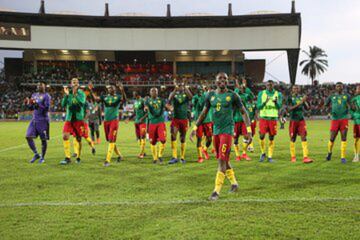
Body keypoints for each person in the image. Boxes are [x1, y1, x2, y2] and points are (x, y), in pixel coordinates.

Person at [190, 72, 252, 201]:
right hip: (216, 131)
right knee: (224, 159)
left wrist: (249, 130)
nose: (222, 80)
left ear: (228, 81)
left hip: (227, 131)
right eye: (220, 78)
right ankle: (234, 184)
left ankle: (216, 191)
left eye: (225, 78)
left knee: (221, 161)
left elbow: (244, 112)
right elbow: (203, 113)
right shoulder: (210, 96)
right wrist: (195, 128)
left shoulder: (233, 95)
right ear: (215, 81)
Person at [89, 82, 127, 167]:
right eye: (109, 88)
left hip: (114, 120)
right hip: (106, 121)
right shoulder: (105, 97)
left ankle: (107, 160)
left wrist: (122, 90)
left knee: (111, 140)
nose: (110, 89)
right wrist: (91, 90)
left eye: (112, 88)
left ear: (114, 90)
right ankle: (119, 155)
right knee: (109, 139)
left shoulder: (118, 96)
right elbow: (96, 99)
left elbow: (124, 100)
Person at [60, 78, 87, 165]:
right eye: (73, 83)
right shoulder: (68, 94)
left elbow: (82, 103)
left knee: (79, 139)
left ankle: (78, 156)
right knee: (65, 136)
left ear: (78, 85)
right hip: (69, 118)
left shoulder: (82, 94)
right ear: (71, 84)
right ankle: (67, 158)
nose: (75, 84)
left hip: (78, 119)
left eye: (76, 83)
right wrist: (67, 95)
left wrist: (75, 94)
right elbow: (63, 104)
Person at [24, 81, 51, 164]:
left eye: (41, 85)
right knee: (28, 136)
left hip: (43, 120)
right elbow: (32, 107)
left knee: (43, 139)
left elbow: (46, 108)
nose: (40, 86)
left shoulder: (47, 96)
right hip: (34, 119)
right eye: (38, 85)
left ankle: (42, 157)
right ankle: (36, 154)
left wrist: (37, 104)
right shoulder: (34, 95)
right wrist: (28, 103)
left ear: (44, 87)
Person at [257, 80, 283, 163]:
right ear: (266, 85)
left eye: (271, 85)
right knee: (261, 136)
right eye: (268, 85)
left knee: (271, 137)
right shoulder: (261, 93)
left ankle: (270, 156)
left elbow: (279, 107)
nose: (269, 86)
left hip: (273, 119)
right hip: (263, 118)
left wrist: (276, 103)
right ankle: (262, 153)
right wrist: (265, 102)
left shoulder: (278, 94)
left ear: (273, 85)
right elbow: (258, 106)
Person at [325, 82, 351, 163]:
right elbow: (326, 105)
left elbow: (351, 105)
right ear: (335, 87)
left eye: (340, 86)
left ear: (342, 87)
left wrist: (350, 108)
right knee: (332, 138)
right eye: (337, 86)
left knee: (344, 137)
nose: (339, 87)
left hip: (344, 119)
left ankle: (343, 157)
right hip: (335, 119)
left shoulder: (347, 96)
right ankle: (329, 152)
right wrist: (329, 112)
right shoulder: (332, 96)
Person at [168, 78, 193, 164]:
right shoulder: (174, 94)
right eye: (179, 85)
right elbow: (169, 100)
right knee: (173, 135)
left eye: (181, 85)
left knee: (182, 138)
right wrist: (175, 89)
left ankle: (182, 157)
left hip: (184, 119)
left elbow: (191, 97)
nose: (180, 87)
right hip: (175, 119)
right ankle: (174, 156)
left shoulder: (186, 95)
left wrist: (185, 87)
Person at [286, 85, 313, 163]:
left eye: (297, 88)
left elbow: (307, 108)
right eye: (294, 88)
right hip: (293, 120)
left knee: (304, 137)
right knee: (293, 138)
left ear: (299, 89)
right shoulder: (290, 98)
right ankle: (293, 157)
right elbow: (289, 109)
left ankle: (305, 157)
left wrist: (305, 101)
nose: (296, 90)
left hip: (301, 120)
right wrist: (300, 103)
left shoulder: (301, 97)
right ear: (292, 90)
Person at [145, 87, 167, 164]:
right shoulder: (147, 101)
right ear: (150, 93)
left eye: (155, 91)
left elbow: (166, 106)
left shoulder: (161, 100)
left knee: (163, 139)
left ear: (157, 93)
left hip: (160, 122)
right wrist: (146, 108)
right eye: (152, 91)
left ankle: (160, 155)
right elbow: (146, 107)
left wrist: (169, 108)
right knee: (152, 142)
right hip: (152, 122)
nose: (154, 92)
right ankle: (155, 158)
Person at [233, 83, 253, 161]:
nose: (241, 89)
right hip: (235, 120)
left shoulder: (245, 95)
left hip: (244, 120)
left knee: (246, 136)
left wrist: (247, 88)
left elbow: (252, 97)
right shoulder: (234, 95)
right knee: (235, 138)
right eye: (240, 88)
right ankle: (237, 155)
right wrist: (238, 87)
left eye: (242, 88)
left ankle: (244, 153)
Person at [133, 91, 147, 159]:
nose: (134, 95)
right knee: (139, 138)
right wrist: (128, 118)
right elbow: (134, 112)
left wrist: (142, 118)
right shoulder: (135, 102)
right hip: (136, 122)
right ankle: (143, 152)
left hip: (142, 122)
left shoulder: (143, 101)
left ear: (138, 94)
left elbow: (148, 112)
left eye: (134, 94)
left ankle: (141, 154)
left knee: (143, 136)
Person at [351, 85, 360, 162]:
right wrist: (354, 115)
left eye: (358, 89)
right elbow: (351, 109)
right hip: (357, 122)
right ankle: (356, 155)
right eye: (357, 89)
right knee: (356, 139)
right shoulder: (353, 99)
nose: (357, 90)